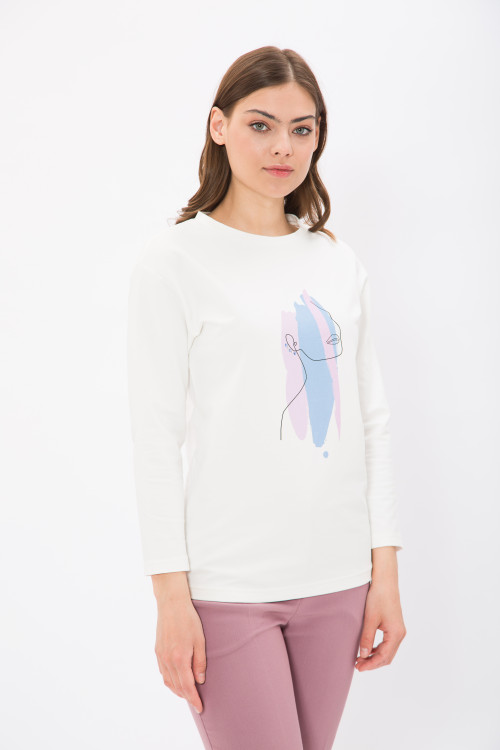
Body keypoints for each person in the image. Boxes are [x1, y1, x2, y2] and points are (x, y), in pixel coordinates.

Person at [127, 45, 407, 750]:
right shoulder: (174, 261)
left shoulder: (335, 261)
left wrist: (385, 574)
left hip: (340, 580)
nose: (283, 146)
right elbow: (154, 438)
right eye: (261, 125)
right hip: (229, 587)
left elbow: (371, 423)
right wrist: (170, 600)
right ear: (218, 126)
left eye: (302, 129)